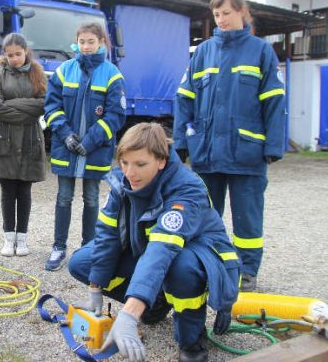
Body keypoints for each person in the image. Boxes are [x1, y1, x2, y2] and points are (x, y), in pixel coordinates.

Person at [69, 123, 240, 362]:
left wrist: (129, 314)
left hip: (195, 255)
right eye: (125, 162)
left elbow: (163, 248)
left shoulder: (187, 188)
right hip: (151, 252)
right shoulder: (122, 182)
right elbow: (107, 236)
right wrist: (95, 290)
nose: (130, 173)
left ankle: (191, 340)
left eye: (140, 164)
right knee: (81, 263)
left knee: (181, 268)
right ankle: (155, 304)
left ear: (161, 161)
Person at [173, 0, 286, 292]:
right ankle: (208, 263)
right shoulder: (204, 52)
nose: (221, 19)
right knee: (206, 215)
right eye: (216, 14)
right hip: (207, 153)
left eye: (226, 13)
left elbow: (275, 101)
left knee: (248, 219)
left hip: (247, 153)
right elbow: (184, 99)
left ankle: (247, 271)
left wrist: (274, 145)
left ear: (241, 11)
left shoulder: (261, 51)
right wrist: (183, 141)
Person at [43, 22, 126, 271]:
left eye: (91, 41)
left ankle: (88, 249)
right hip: (65, 149)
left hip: (95, 150)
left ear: (102, 42)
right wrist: (66, 134)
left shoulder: (112, 74)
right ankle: (59, 248)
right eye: (82, 41)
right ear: (76, 42)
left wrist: (89, 141)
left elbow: (116, 115)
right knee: (63, 198)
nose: (86, 46)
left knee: (91, 199)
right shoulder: (64, 71)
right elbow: (51, 107)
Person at [0, 33, 47, 256]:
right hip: (5, 139)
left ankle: (23, 239)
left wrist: (13, 104)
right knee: (8, 190)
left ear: (26, 51)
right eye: (10, 55)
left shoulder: (38, 74)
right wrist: (25, 111)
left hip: (29, 139)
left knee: (25, 190)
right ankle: (8, 238)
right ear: (5, 55)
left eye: (18, 54)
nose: (14, 59)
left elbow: (43, 105)